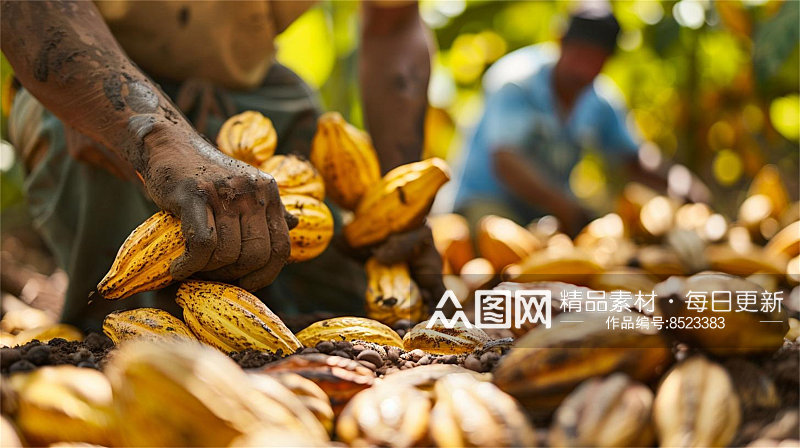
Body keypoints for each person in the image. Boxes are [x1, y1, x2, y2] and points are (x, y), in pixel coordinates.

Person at [2, 0, 443, 331]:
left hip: (253, 91)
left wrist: (392, 202)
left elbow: (394, 21)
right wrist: (156, 141)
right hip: (89, 84)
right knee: (127, 327)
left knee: (346, 311)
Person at [453, 8, 708, 235]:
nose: (584, 69)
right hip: (485, 201)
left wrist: (676, 178)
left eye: (595, 59)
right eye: (580, 55)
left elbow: (633, 157)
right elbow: (505, 161)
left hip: (543, 213)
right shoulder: (516, 82)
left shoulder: (598, 100)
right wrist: (566, 207)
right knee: (507, 253)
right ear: (560, 42)